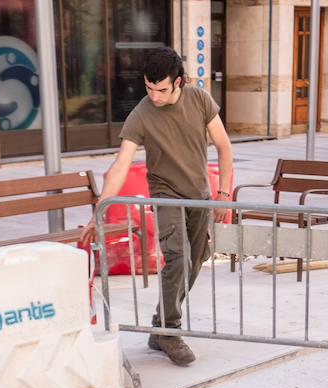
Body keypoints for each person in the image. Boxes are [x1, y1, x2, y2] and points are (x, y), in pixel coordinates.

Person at [81, 47, 233, 367]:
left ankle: (159, 326)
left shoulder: (200, 100)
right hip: (165, 197)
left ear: (178, 82)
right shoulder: (141, 113)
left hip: (200, 196)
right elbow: (122, 163)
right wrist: (99, 209)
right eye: (149, 88)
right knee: (177, 258)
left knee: (195, 261)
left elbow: (223, 145)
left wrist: (223, 193)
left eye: (161, 89)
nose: (154, 96)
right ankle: (171, 330)